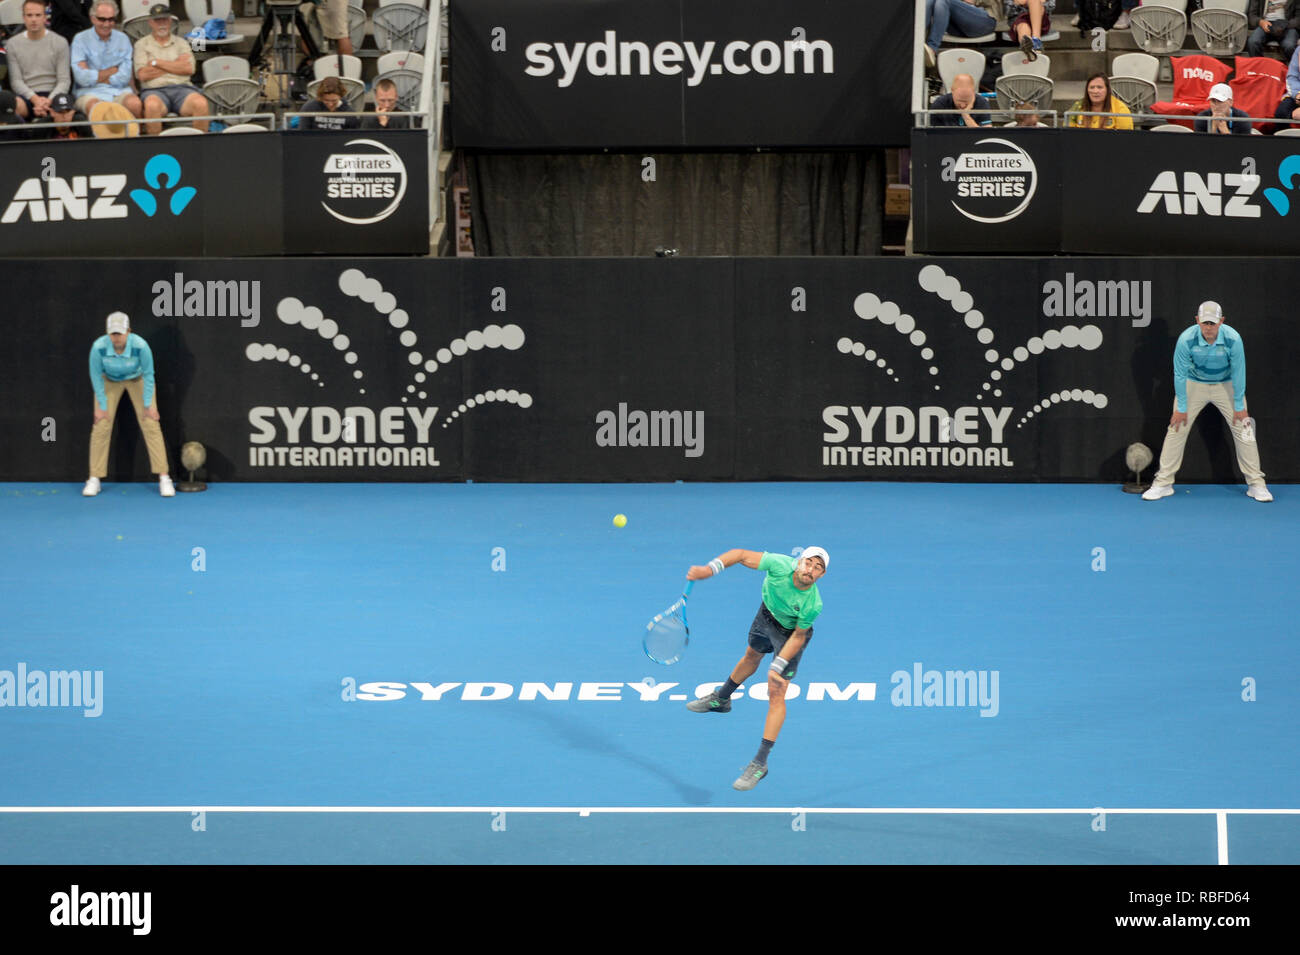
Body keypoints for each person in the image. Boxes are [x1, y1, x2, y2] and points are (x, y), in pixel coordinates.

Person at [684, 547, 829, 791]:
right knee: (751, 655)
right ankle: (722, 699)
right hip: (766, 615)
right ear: (798, 562)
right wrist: (710, 569)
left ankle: (760, 762)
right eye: (808, 563)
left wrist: (779, 665)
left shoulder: (813, 603)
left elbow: (799, 636)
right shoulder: (779, 565)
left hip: (790, 635)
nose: (811, 570)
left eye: (818, 568)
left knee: (776, 691)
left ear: (821, 576)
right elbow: (740, 554)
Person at [1142, 301, 1272, 503]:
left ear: (1221, 321)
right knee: (1176, 427)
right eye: (1205, 323)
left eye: (1213, 323)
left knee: (1244, 428)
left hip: (1226, 384)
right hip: (1194, 384)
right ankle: (1163, 483)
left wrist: (1239, 407)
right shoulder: (1186, 339)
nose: (1209, 328)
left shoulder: (1233, 339)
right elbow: (1179, 374)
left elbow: (1239, 372)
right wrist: (1182, 408)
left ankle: (1256, 484)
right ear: (1197, 321)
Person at [84, 312, 174, 499]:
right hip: (108, 381)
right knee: (101, 424)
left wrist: (149, 404)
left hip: (137, 379)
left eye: (120, 333)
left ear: (128, 331)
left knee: (150, 423)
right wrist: (101, 404)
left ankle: (164, 477)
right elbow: (95, 375)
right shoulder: (98, 347)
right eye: (113, 334)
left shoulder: (141, 346)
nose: (116, 338)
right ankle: (94, 478)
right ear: (108, 333)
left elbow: (149, 375)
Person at [133, 4, 210, 136]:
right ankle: (155, 151)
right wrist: (176, 65)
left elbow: (189, 68)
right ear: (150, 22)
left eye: (164, 19)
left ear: (170, 21)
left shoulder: (182, 43)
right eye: (157, 20)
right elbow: (142, 75)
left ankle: (199, 149)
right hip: (154, 90)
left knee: (201, 103)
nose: (161, 24)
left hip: (183, 89)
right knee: (152, 106)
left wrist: (156, 63)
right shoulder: (141, 44)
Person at [71, 1, 143, 121]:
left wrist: (95, 75)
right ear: (92, 19)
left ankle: (134, 139)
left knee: (135, 104)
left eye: (111, 20)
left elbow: (124, 76)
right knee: (97, 108)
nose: (107, 24)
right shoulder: (80, 39)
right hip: (89, 93)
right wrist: (112, 71)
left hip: (119, 91)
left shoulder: (123, 39)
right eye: (102, 19)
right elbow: (81, 78)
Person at [7, 0, 72, 123]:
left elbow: (64, 80)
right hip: (27, 95)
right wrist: (35, 99)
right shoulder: (12, 44)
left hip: (55, 94)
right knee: (12, 107)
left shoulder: (60, 42)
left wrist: (49, 101)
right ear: (23, 17)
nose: (34, 20)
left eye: (38, 15)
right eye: (29, 15)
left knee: (65, 109)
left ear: (45, 17)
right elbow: (16, 81)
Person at [923, 0, 997, 68]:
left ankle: (932, 48)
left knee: (944, 1)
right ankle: (917, 42)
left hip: (984, 22)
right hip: (959, 24)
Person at [1067, 72, 1133, 129]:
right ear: (1087, 90)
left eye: (1099, 87)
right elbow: (1067, 133)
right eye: (1092, 87)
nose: (1095, 91)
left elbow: (1125, 138)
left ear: (1107, 90)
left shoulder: (1120, 109)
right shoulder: (1077, 107)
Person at [929, 72, 994, 126]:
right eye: (959, 101)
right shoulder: (939, 104)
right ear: (952, 91)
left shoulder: (982, 103)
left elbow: (985, 135)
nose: (963, 105)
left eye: (966, 101)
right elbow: (935, 136)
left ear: (973, 92)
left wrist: (966, 116)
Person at [295, 75, 360, 129]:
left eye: (334, 100)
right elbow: (302, 132)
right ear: (320, 97)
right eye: (326, 100)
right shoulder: (309, 108)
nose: (330, 104)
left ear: (340, 96)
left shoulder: (349, 113)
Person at [1274, 45, 1300, 130]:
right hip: (1297, 93)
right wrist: (1297, 94)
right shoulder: (1299, 50)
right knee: (1281, 113)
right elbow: (1292, 77)